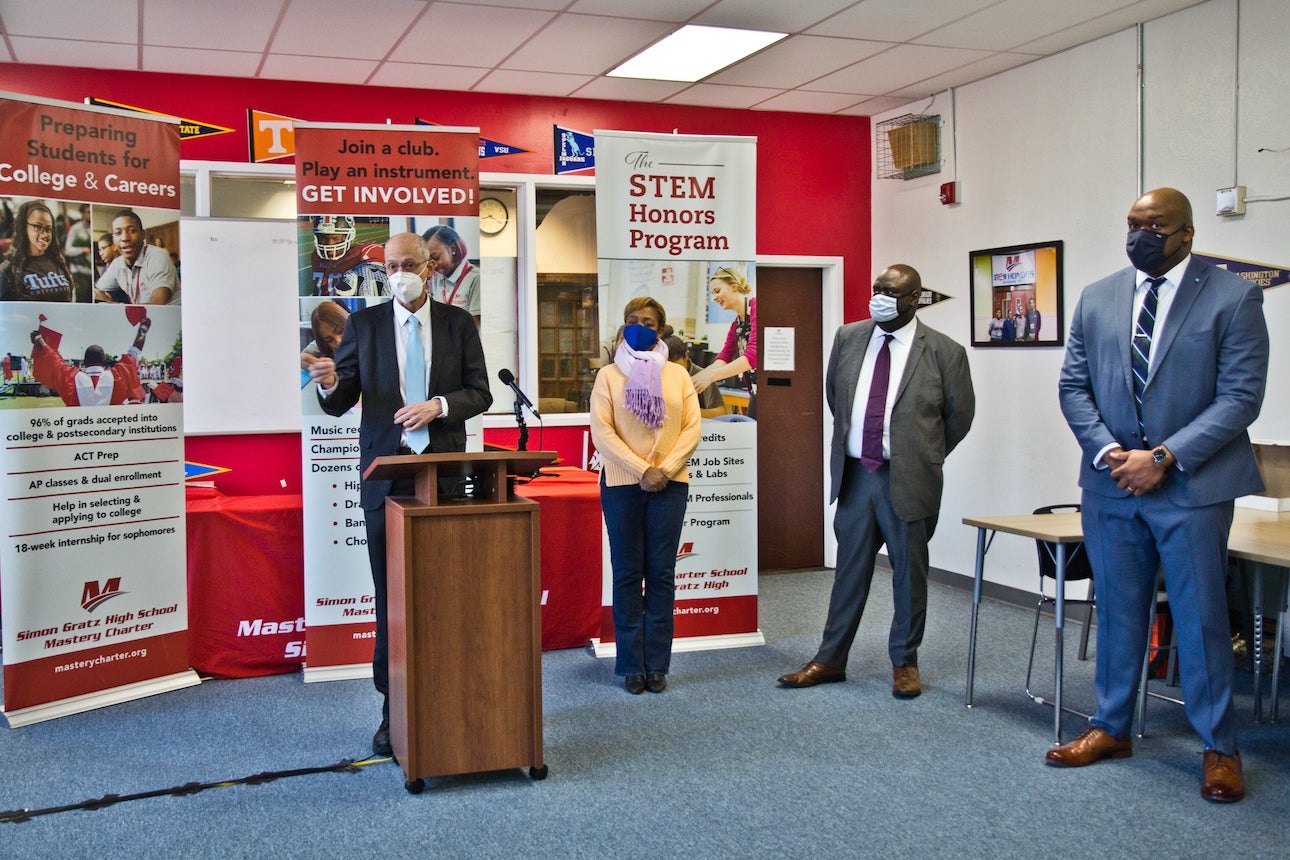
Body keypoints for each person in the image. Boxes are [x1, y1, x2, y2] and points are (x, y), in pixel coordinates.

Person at [1051, 188, 1268, 803]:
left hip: (1191, 489)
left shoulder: (1233, 295)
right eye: (1132, 223)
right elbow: (1074, 387)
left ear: (1187, 234)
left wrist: (1164, 458)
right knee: (1119, 611)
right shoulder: (1098, 296)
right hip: (1111, 484)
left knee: (1199, 620)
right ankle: (1111, 726)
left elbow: (1240, 397)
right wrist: (1108, 453)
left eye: (1154, 225)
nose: (1140, 234)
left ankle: (1219, 748)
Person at [309, 232, 491, 756]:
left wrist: (438, 405)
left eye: (407, 264)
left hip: (444, 476)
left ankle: (451, 701)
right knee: (392, 598)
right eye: (389, 266)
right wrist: (326, 382)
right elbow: (341, 398)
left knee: (446, 595)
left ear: (430, 267)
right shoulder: (363, 325)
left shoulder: (458, 324)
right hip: (386, 478)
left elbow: (481, 392)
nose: (397, 274)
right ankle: (394, 711)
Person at [778, 264, 974, 699]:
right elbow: (836, 397)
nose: (879, 297)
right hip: (856, 475)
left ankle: (905, 662)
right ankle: (830, 659)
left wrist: (921, 455)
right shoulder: (849, 337)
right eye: (877, 289)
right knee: (849, 570)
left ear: (913, 299)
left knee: (909, 574)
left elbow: (959, 419)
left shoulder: (944, 351)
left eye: (891, 292)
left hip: (908, 477)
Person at [590, 310, 701, 695]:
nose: (641, 326)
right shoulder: (608, 375)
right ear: (622, 326)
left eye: (649, 321)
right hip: (622, 484)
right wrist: (641, 469)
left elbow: (691, 427)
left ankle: (656, 663)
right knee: (626, 574)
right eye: (633, 319)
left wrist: (664, 469)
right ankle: (630, 665)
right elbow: (602, 433)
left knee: (661, 574)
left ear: (661, 329)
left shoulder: (678, 374)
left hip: (670, 483)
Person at [31, 316, 151, 406]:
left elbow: (54, 361)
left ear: (84, 362)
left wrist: (41, 341)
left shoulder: (70, 379)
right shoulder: (119, 376)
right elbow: (135, 351)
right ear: (105, 362)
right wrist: (144, 328)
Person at [691, 267, 756, 417]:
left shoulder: (756, 308)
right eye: (712, 293)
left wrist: (710, 377)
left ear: (734, 287)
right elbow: (724, 357)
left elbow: (753, 355)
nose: (714, 298)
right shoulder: (737, 324)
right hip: (756, 392)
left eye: (717, 291)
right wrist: (695, 379)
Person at [94, 209, 178, 305]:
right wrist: (101, 296)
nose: (125, 238)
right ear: (113, 240)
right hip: (140, 319)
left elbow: (158, 304)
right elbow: (96, 290)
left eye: (132, 231)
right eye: (118, 233)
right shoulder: (118, 263)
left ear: (143, 235)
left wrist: (113, 304)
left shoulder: (157, 255)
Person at [1, 200, 75, 302]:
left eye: (48, 229)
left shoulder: (58, 262)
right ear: (23, 228)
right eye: (37, 226)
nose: (44, 234)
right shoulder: (8, 269)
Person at [306, 215, 388, 297]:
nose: (330, 245)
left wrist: (371, 268)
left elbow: (377, 255)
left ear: (348, 236)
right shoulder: (316, 256)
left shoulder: (361, 254)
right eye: (323, 238)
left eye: (336, 238)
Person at [423, 224, 479, 326]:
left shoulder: (475, 279)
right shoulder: (436, 278)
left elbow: (474, 327)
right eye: (428, 260)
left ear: (453, 248)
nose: (433, 265)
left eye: (435, 257)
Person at [664, 333, 725, 418]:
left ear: (685, 356)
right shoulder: (662, 374)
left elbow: (720, 412)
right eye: (669, 368)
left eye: (677, 367)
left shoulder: (702, 377)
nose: (674, 373)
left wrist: (689, 412)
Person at [300, 300, 350, 371]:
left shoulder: (362, 329)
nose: (338, 341)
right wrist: (323, 367)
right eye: (329, 340)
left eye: (340, 331)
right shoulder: (323, 342)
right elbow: (303, 357)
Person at [64, 203, 94, 302]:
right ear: (82, 214)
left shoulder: (91, 229)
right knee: (82, 299)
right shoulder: (75, 229)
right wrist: (82, 249)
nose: (90, 215)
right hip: (79, 272)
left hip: (91, 272)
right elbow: (68, 250)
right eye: (88, 212)